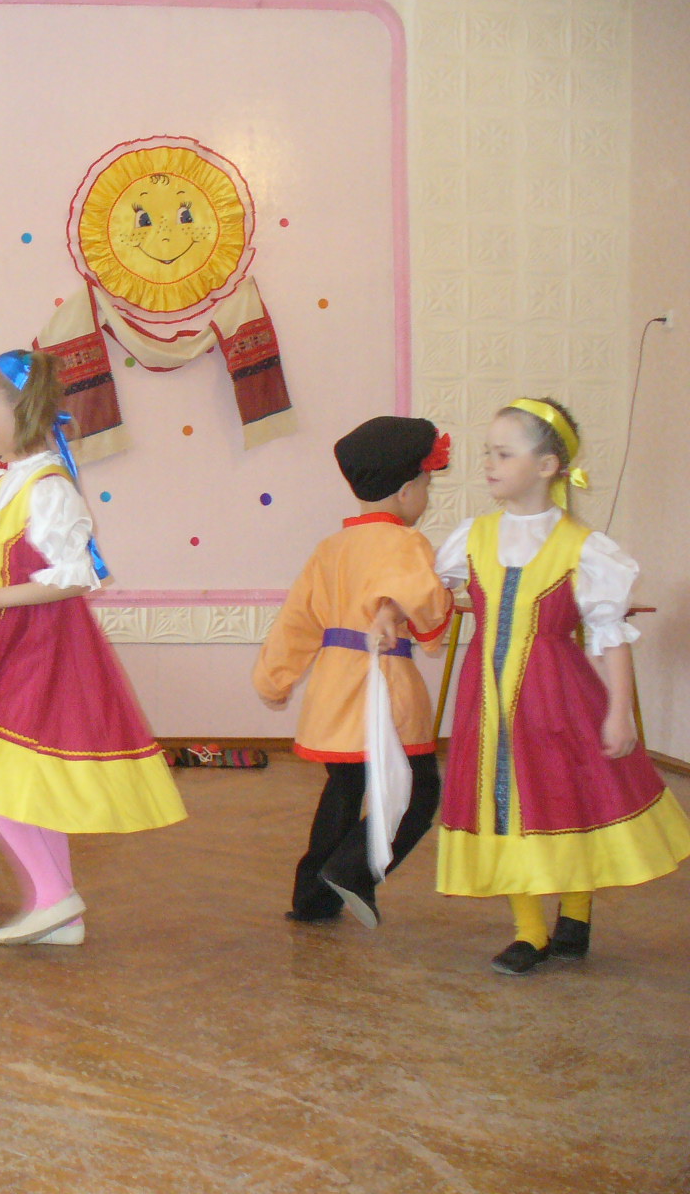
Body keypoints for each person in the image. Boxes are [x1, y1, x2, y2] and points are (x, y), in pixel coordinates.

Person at [0, 349, 187, 946]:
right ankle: (62, 916)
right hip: (15, 646)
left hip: (45, 648)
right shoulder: (4, 483)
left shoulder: (48, 488)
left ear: (22, 410)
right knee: (34, 780)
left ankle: (55, 896)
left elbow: (76, 577)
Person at [434, 397, 690, 974]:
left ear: (547, 466)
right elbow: (427, 590)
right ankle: (530, 931)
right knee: (503, 801)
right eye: (488, 453)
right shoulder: (473, 536)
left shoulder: (583, 546)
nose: (490, 464)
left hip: (558, 694)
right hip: (488, 700)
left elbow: (609, 633)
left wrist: (619, 710)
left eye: (504, 454)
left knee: (565, 792)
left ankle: (575, 914)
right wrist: (388, 607)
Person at [253, 416, 454, 927]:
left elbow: (297, 622)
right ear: (406, 490)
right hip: (385, 689)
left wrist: (274, 678)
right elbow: (426, 607)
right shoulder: (407, 544)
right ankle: (352, 869)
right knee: (420, 791)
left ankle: (312, 898)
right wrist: (446, 599)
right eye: (427, 486)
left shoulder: (329, 550)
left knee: (344, 789)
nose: (426, 497)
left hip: (333, 694)